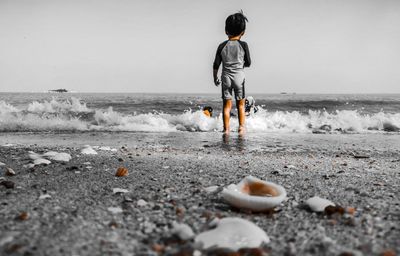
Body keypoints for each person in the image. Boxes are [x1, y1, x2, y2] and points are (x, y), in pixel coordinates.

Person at [213, 11, 251, 135]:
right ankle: (241, 128)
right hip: (239, 77)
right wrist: (241, 65)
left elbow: (216, 64)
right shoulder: (243, 45)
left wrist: (215, 78)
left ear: (226, 30)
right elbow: (249, 62)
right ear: (243, 32)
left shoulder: (221, 46)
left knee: (226, 106)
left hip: (226, 78)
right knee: (240, 105)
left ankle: (226, 129)